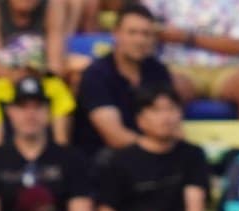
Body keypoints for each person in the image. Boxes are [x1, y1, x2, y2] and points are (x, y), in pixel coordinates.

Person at [95, 85, 219, 211]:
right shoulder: (119, 159)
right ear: (140, 120)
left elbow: (195, 200)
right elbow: (105, 209)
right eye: (156, 110)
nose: (166, 117)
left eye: (171, 109)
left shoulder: (192, 155)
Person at [0, 74, 94, 211]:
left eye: (37, 107)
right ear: (10, 112)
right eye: (23, 107)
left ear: (48, 112)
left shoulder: (72, 158)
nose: (30, 114)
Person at [143, 0, 239, 134]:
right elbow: (145, 22)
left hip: (228, 68)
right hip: (179, 66)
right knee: (169, 86)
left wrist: (187, 38)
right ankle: (170, 151)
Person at [72, 4, 173, 158]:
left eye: (146, 34)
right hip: (104, 158)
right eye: (132, 33)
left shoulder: (158, 71)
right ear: (116, 34)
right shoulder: (96, 74)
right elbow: (115, 137)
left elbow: (171, 120)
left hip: (149, 154)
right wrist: (158, 148)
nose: (140, 40)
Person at [0, 0, 67, 86]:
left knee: (75, 67)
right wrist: (16, 78)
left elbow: (55, 63)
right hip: (5, 77)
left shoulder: (52, 6)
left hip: (41, 74)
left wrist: (40, 79)